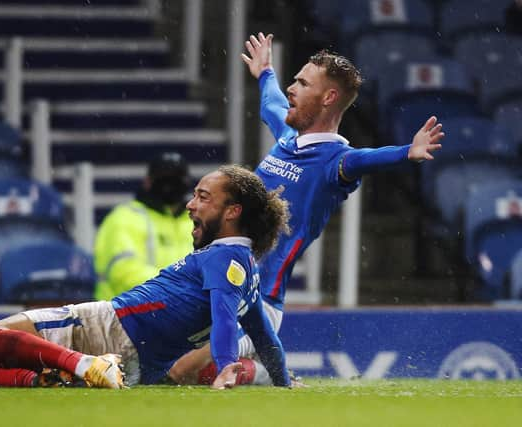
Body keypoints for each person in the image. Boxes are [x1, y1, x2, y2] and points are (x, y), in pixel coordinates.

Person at [168, 32, 445, 385]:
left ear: (329, 97)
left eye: (301, 82)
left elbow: (364, 160)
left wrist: (407, 151)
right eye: (294, 79)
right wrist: (266, 72)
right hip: (219, 284)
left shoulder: (335, 162)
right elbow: (270, 101)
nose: (291, 88)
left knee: (183, 371)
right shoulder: (286, 135)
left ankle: (268, 372)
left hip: (258, 301)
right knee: (166, 362)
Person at [0, 165, 292, 389]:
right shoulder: (246, 272)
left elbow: (222, 320)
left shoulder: (223, 257)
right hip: (137, 368)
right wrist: (283, 384)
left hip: (109, 326)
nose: (191, 204)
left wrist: (226, 367)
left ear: (233, 211)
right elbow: (265, 340)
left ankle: (85, 364)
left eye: (203, 197)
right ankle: (49, 380)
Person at [94, 151, 193, 301]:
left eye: (177, 179)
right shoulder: (125, 217)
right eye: (164, 178)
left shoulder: (196, 219)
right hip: (125, 317)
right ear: (147, 181)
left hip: (184, 315)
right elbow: (124, 273)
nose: (170, 185)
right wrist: (180, 288)